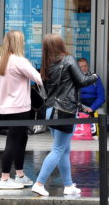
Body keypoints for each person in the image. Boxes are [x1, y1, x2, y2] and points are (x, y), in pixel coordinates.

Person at [31, 34, 99, 197]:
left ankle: (68, 185)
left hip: (50, 111)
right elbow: (82, 80)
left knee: (64, 149)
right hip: (65, 111)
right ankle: (39, 183)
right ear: (60, 45)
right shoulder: (68, 60)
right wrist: (95, 76)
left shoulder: (46, 65)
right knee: (59, 149)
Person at [0, 30, 43, 190]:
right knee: (14, 141)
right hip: (19, 108)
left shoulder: (1, 60)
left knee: (21, 139)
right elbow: (38, 78)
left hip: (6, 108)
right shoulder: (19, 61)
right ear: (18, 43)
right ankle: (5, 178)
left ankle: (20, 175)